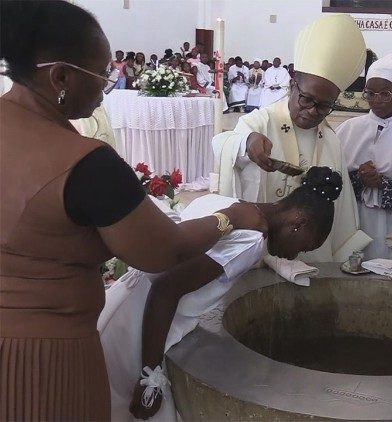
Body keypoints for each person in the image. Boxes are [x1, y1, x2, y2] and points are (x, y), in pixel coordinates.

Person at [0, 1, 263, 420]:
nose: (105, 86)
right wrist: (229, 218)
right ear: (61, 77)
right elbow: (164, 251)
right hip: (49, 356)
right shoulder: (85, 162)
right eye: (100, 73)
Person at [100, 167, 343, 421]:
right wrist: (150, 377)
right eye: (303, 247)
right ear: (299, 223)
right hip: (142, 332)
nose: (294, 256)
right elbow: (166, 289)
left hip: (126, 306)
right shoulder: (252, 241)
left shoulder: (232, 204)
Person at [212, 14, 372, 262]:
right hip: (261, 254)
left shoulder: (330, 139)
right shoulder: (261, 122)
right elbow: (221, 145)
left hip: (311, 256)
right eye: (306, 99)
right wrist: (246, 143)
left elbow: (342, 212)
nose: (311, 111)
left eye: (323, 106)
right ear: (293, 84)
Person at [336, 54, 392, 259]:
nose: (376, 100)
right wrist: (358, 178)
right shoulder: (348, 129)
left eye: (385, 93)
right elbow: (334, 176)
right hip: (354, 217)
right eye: (370, 94)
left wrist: (382, 183)